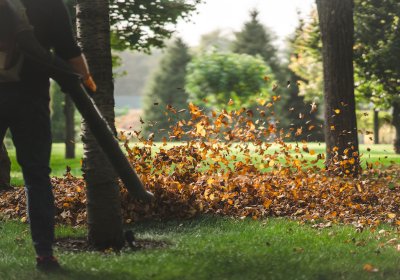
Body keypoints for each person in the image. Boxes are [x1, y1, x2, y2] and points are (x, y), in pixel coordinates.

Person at [0, 0, 96, 271]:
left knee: (36, 176)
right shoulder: (49, 4)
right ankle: (44, 255)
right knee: (36, 177)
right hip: (30, 99)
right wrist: (88, 83)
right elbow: (69, 53)